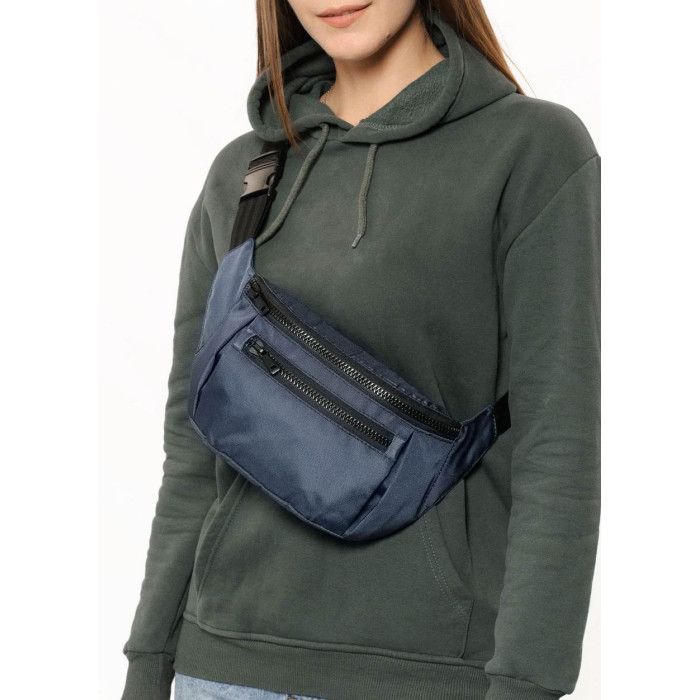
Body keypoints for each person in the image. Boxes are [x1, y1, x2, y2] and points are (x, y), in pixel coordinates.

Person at [120, 1, 601, 699]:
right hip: (221, 669)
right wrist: (146, 666)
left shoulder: (530, 150)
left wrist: (527, 682)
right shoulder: (246, 173)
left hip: (423, 676)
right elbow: (193, 453)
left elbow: (558, 449)